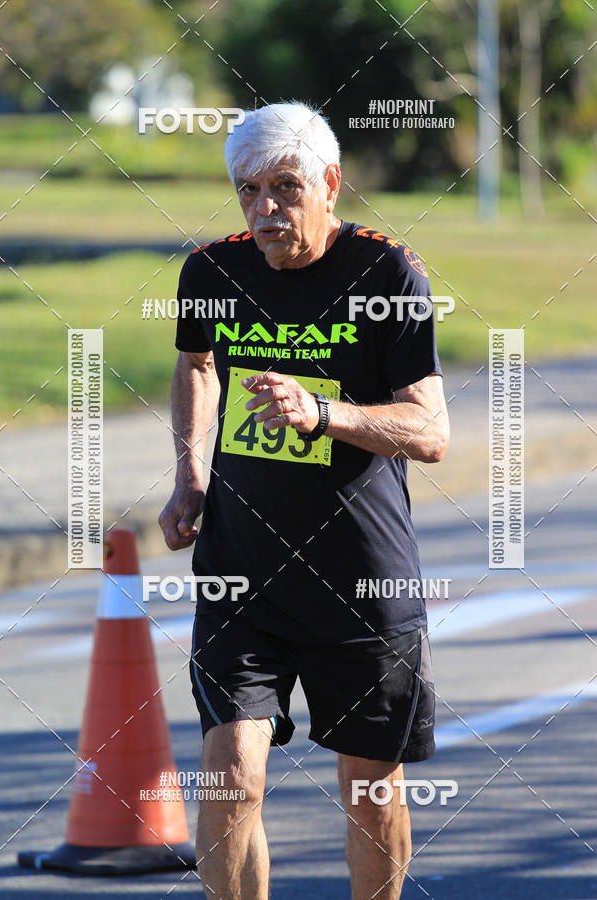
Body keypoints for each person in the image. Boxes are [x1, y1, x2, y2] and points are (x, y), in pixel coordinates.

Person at [158, 100, 450, 899]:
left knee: (370, 790)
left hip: (361, 581)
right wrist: (189, 473)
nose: (265, 211)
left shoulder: (387, 273)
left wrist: (324, 413)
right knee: (229, 776)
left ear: (331, 183)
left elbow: (430, 430)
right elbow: (196, 365)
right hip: (242, 574)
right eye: (248, 191)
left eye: (284, 188)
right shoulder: (212, 271)